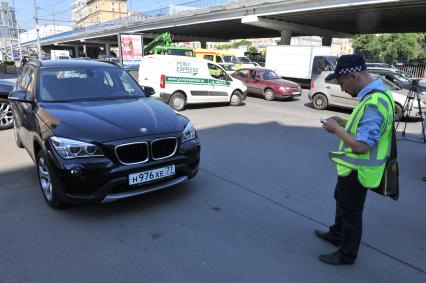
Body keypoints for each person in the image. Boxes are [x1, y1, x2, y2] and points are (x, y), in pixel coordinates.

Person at [316, 54, 395, 265]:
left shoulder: (373, 103)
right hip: (352, 170)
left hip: (359, 171)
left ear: (354, 75)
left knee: (350, 212)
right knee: (340, 200)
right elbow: (363, 128)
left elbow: (361, 146)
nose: (342, 89)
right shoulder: (375, 96)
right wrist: (342, 122)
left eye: (342, 83)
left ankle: (347, 254)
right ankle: (336, 234)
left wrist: (336, 130)